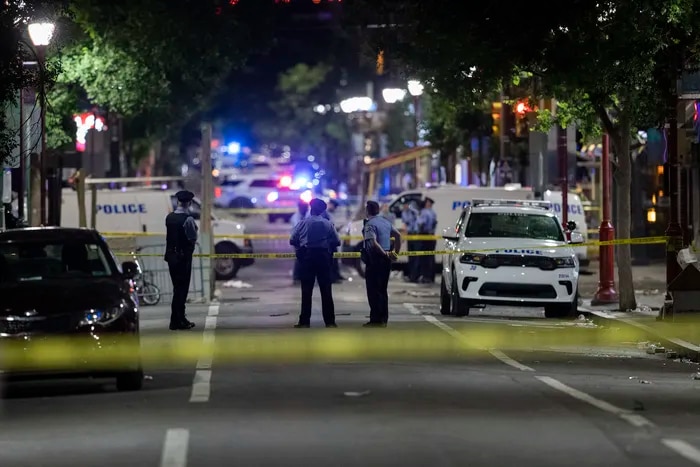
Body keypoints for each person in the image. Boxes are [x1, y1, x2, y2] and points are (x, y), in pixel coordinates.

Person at [290, 198, 340, 328]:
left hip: (307, 258)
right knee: (326, 291)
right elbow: (337, 241)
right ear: (322, 210)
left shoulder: (302, 223)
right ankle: (330, 322)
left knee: (306, 291)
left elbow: (292, 239)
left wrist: (300, 247)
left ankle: (304, 321)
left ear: (311, 209)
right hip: (323, 258)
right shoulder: (327, 224)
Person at [361, 200, 401, 327]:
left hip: (375, 259)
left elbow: (372, 243)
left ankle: (375, 320)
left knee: (373, 290)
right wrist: (395, 253)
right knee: (382, 289)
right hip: (386, 259)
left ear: (367, 211)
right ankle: (384, 319)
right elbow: (398, 235)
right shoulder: (385, 222)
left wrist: (383, 253)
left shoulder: (369, 224)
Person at [164, 190, 198, 331]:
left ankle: (175, 320)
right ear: (189, 203)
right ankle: (180, 320)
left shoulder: (169, 217)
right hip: (183, 258)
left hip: (171, 257)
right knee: (182, 290)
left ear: (178, 202)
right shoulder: (188, 219)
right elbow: (192, 237)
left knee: (177, 288)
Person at [416, 197, 438, 283]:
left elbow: (421, 223)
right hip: (431, 236)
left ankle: (425, 276)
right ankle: (430, 276)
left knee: (424, 257)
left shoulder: (424, 212)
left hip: (425, 236)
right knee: (431, 257)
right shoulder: (433, 212)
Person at [325, 200, 344, 283]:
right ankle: (332, 277)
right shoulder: (325, 214)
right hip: (328, 241)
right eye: (334, 206)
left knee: (335, 259)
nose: (335, 208)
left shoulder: (330, 214)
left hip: (332, 240)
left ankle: (336, 275)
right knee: (330, 260)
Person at [290, 201, 309, 285]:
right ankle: (296, 277)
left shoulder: (307, 215)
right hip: (297, 241)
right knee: (299, 259)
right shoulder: (296, 217)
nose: (304, 209)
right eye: (303, 208)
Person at [401, 201, 420, 282]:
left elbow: (418, 218)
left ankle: (415, 276)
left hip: (416, 234)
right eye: (404, 205)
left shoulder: (414, 212)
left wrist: (413, 211)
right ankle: (412, 276)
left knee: (416, 257)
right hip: (409, 234)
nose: (405, 206)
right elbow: (405, 223)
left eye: (406, 205)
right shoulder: (404, 213)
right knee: (411, 256)